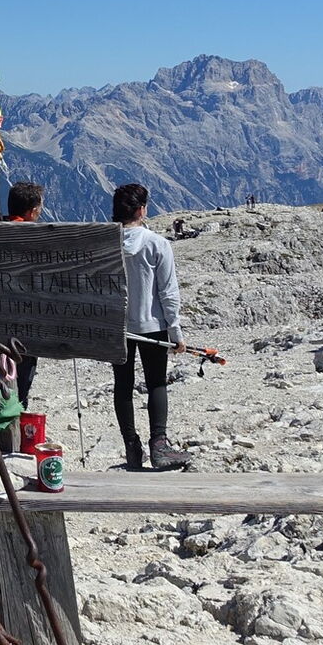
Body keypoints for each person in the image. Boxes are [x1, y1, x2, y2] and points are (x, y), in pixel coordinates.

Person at [111, 183, 189, 471]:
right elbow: (168, 293)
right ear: (141, 210)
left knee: (122, 385)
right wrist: (176, 332)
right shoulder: (157, 244)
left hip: (116, 326)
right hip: (152, 324)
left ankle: (131, 446)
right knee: (156, 382)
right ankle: (159, 445)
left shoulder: (106, 242)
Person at [2, 182, 44, 408]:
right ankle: (17, 412)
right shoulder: (34, 237)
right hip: (26, 321)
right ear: (32, 211)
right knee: (23, 379)